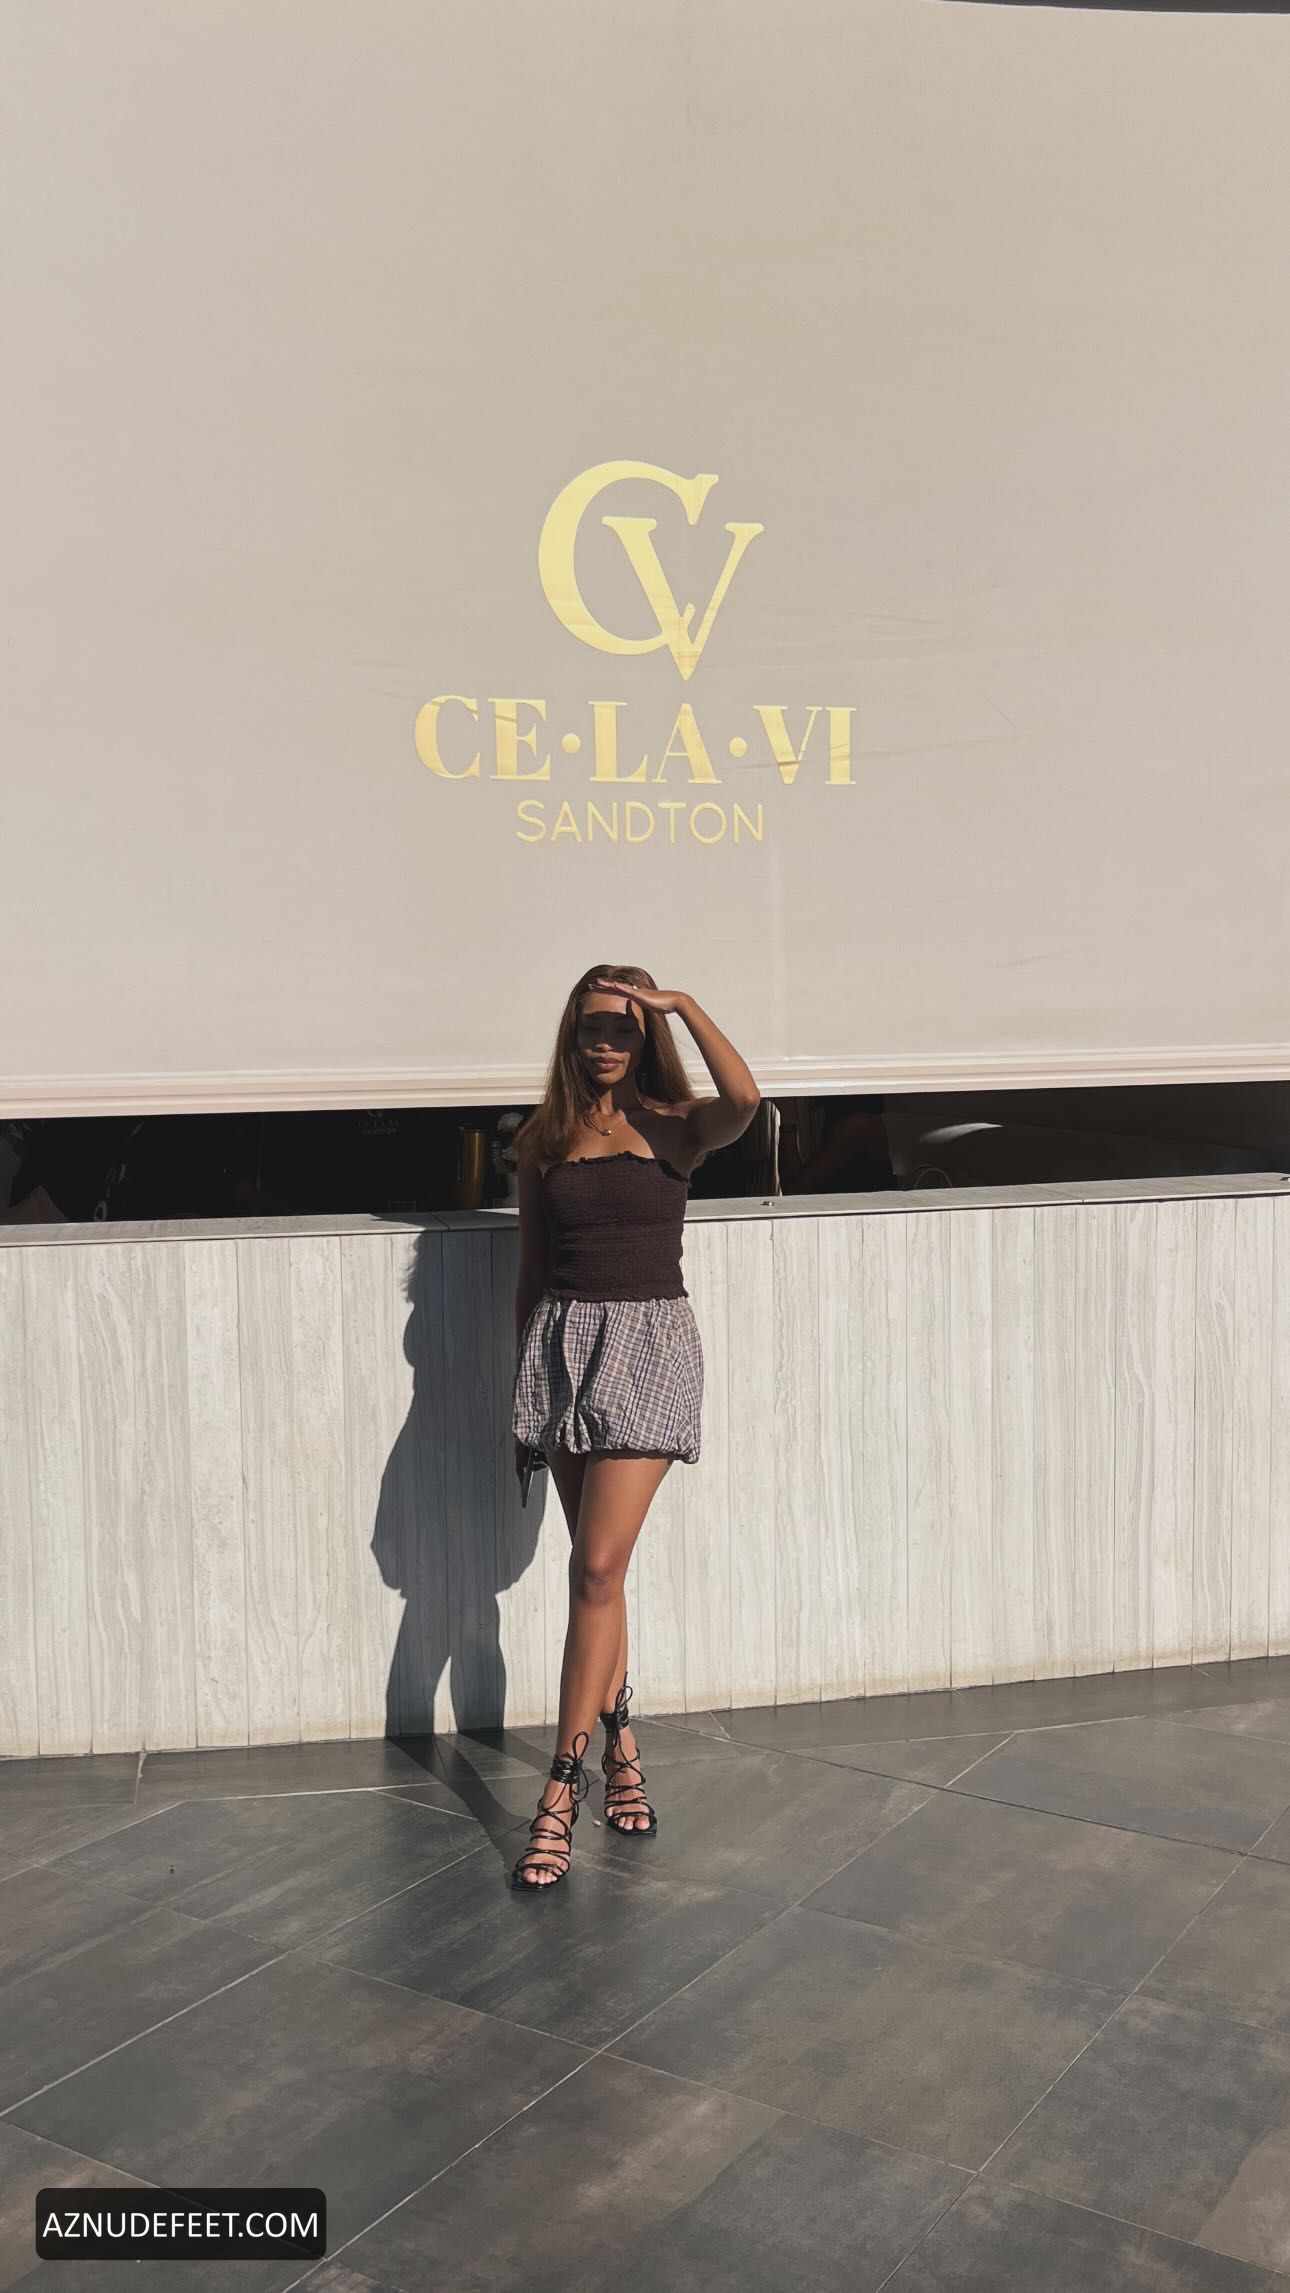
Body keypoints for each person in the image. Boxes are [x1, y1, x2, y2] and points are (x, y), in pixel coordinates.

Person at [507, 965, 760, 1889]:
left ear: (645, 1034)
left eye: (623, 1027)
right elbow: (532, 1268)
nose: (606, 1042)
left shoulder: (679, 1126)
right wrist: (524, 1398)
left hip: (651, 1347)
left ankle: (558, 1793)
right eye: (592, 1027)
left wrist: (683, 1006)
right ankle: (622, 1751)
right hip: (563, 1349)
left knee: (597, 1566)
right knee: (598, 1578)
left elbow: (747, 1099)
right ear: (571, 1036)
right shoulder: (543, 1139)